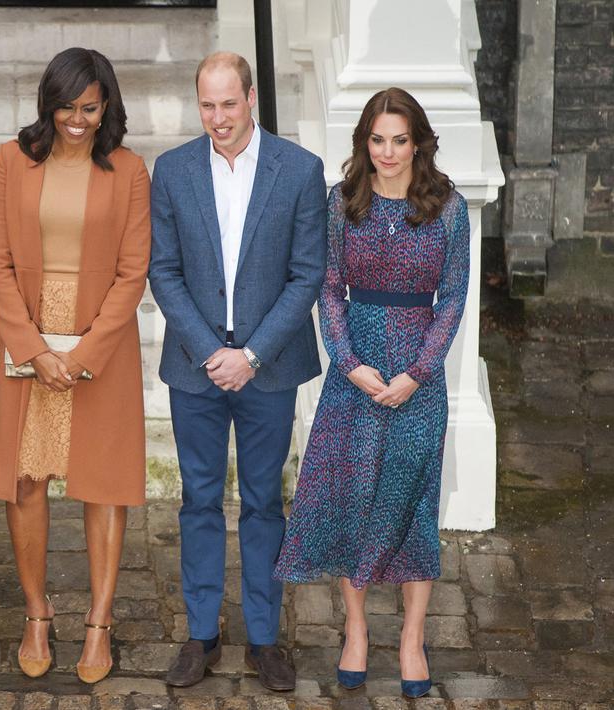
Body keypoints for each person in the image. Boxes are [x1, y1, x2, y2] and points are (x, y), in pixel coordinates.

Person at [0, 47, 151, 685]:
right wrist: (33, 349)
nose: (76, 119)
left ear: (106, 107)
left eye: (89, 108)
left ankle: (99, 622)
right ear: (48, 104)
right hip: (27, 335)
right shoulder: (11, 161)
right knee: (25, 478)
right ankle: (37, 613)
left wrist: (85, 352)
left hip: (101, 341)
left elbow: (133, 273)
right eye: (66, 106)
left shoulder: (129, 170)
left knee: (104, 483)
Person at [273, 87, 468, 699]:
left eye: (399, 140)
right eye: (377, 140)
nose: (388, 152)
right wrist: (349, 362)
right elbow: (328, 288)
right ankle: (355, 630)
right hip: (354, 376)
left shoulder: (449, 208)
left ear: (418, 143)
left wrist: (419, 372)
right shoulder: (342, 203)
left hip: (418, 378)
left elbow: (453, 298)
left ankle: (411, 638)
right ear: (364, 143)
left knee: (413, 503)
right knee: (353, 497)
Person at [149, 51, 326, 691]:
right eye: (207, 105)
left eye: (229, 103)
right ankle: (201, 634)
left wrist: (251, 355)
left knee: (263, 502)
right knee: (198, 500)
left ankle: (264, 637)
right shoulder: (172, 170)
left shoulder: (299, 170)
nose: (218, 117)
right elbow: (163, 271)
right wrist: (209, 352)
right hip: (195, 367)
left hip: (267, 369)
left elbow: (306, 274)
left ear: (251, 98)